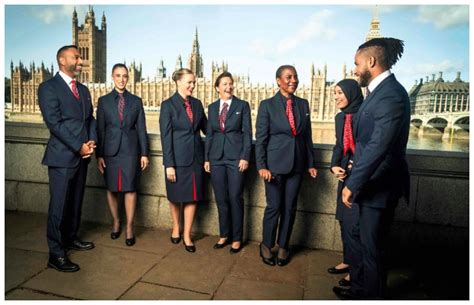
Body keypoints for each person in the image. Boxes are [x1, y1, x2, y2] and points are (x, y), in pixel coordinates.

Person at [332, 38, 410, 300]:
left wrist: (352, 184)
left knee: (373, 251)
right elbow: (368, 141)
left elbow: (379, 145)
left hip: (379, 186)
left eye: (356, 64)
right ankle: (359, 290)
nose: (354, 70)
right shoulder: (378, 92)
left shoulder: (391, 94)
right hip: (370, 182)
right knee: (364, 246)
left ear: (371, 62)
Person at [38, 45, 97, 272]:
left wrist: (91, 142)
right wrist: (78, 146)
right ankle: (56, 254)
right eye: (76, 56)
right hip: (62, 156)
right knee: (59, 206)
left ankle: (71, 238)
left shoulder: (82, 89)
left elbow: (89, 118)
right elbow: (55, 123)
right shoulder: (48, 88)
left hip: (83, 155)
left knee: (75, 202)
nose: (81, 60)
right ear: (63, 60)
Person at [255, 65, 318, 266]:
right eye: (288, 77)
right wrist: (262, 166)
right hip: (273, 167)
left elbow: (307, 136)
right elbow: (261, 139)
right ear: (278, 80)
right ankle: (266, 245)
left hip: (297, 165)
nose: (293, 80)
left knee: (290, 208)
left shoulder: (303, 104)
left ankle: (283, 246)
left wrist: (310, 163)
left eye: (296, 77)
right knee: (274, 207)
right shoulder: (267, 105)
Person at [96, 63, 150, 247]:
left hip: (130, 151)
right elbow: (100, 129)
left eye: (125, 76)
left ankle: (129, 227)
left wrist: (144, 153)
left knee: (130, 188)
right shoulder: (103, 101)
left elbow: (141, 129)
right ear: (112, 77)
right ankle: (116, 221)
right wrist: (99, 155)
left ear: (128, 78)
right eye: (118, 75)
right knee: (111, 188)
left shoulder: (136, 101)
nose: (121, 79)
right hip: (110, 151)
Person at [159, 68, 207, 253]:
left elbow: (207, 129)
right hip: (177, 160)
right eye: (189, 82)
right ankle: (176, 227)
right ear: (178, 82)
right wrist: (169, 164)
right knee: (175, 196)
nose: (193, 86)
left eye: (194, 82)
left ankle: (187, 234)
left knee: (192, 197)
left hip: (195, 159)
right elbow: (165, 137)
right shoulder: (168, 105)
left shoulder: (197, 104)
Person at [204, 72, 252, 254]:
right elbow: (210, 134)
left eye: (231, 83)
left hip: (235, 158)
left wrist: (245, 157)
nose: (228, 87)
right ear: (217, 87)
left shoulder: (242, 106)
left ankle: (237, 238)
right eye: (224, 84)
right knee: (221, 199)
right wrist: (207, 158)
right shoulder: (212, 107)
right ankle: (224, 235)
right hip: (216, 158)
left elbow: (248, 134)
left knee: (235, 197)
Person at [327, 79, 364, 287]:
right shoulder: (340, 118)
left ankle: (356, 275)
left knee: (354, 226)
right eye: (335, 93)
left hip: (358, 176)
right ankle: (348, 261)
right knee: (343, 219)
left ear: (351, 93)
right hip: (344, 175)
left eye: (340, 93)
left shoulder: (364, 115)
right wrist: (333, 165)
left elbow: (367, 148)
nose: (336, 97)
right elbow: (339, 144)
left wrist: (351, 166)